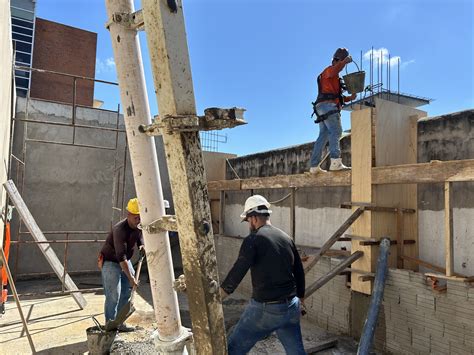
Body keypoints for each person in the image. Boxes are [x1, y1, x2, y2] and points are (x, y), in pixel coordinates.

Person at [220, 195, 306, 355]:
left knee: (233, 348)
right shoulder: (286, 238)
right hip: (291, 306)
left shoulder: (253, 239)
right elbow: (299, 271)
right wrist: (301, 297)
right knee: (296, 351)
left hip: (266, 308)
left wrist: (220, 295)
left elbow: (238, 270)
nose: (248, 225)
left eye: (247, 221)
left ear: (253, 218)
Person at [98, 197, 145, 331]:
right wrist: (131, 279)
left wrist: (141, 245)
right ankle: (110, 326)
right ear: (128, 215)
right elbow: (121, 256)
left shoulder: (138, 225)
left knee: (126, 292)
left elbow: (139, 235)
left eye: (140, 217)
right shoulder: (120, 229)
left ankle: (120, 323)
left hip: (125, 261)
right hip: (111, 262)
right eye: (136, 217)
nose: (139, 220)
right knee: (114, 295)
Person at [309, 47, 357, 173]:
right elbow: (336, 69)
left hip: (321, 107)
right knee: (336, 131)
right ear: (338, 60)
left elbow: (337, 97)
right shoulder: (329, 71)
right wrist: (345, 62)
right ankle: (335, 162)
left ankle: (314, 166)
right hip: (328, 106)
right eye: (341, 62)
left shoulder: (333, 78)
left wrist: (349, 98)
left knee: (323, 135)